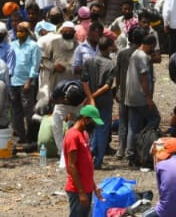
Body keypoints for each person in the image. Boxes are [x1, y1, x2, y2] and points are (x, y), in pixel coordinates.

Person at [81, 35, 117, 169]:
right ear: (108, 48)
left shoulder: (89, 61)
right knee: (102, 130)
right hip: (104, 100)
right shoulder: (111, 64)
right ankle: (98, 160)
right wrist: (94, 97)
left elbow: (84, 81)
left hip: (91, 100)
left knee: (93, 129)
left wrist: (90, 98)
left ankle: (90, 155)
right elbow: (107, 86)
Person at [124, 32, 161, 163]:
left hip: (131, 97)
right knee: (155, 118)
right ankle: (143, 139)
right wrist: (148, 98)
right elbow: (144, 79)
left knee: (133, 126)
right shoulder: (143, 57)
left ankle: (131, 154)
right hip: (141, 97)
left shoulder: (134, 54)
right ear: (150, 45)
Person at [64, 105, 105, 217]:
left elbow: (85, 166)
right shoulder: (73, 136)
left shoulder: (83, 134)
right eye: (93, 122)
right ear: (85, 119)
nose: (95, 125)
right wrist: (81, 193)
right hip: (77, 190)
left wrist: (94, 187)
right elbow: (72, 166)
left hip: (85, 188)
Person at [9, 21, 41, 146]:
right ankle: (21, 136)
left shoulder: (34, 46)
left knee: (28, 112)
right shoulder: (12, 45)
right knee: (16, 112)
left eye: (22, 31)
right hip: (13, 81)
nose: (19, 33)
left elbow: (35, 65)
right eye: (18, 31)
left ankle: (31, 137)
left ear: (27, 33)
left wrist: (29, 81)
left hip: (26, 83)